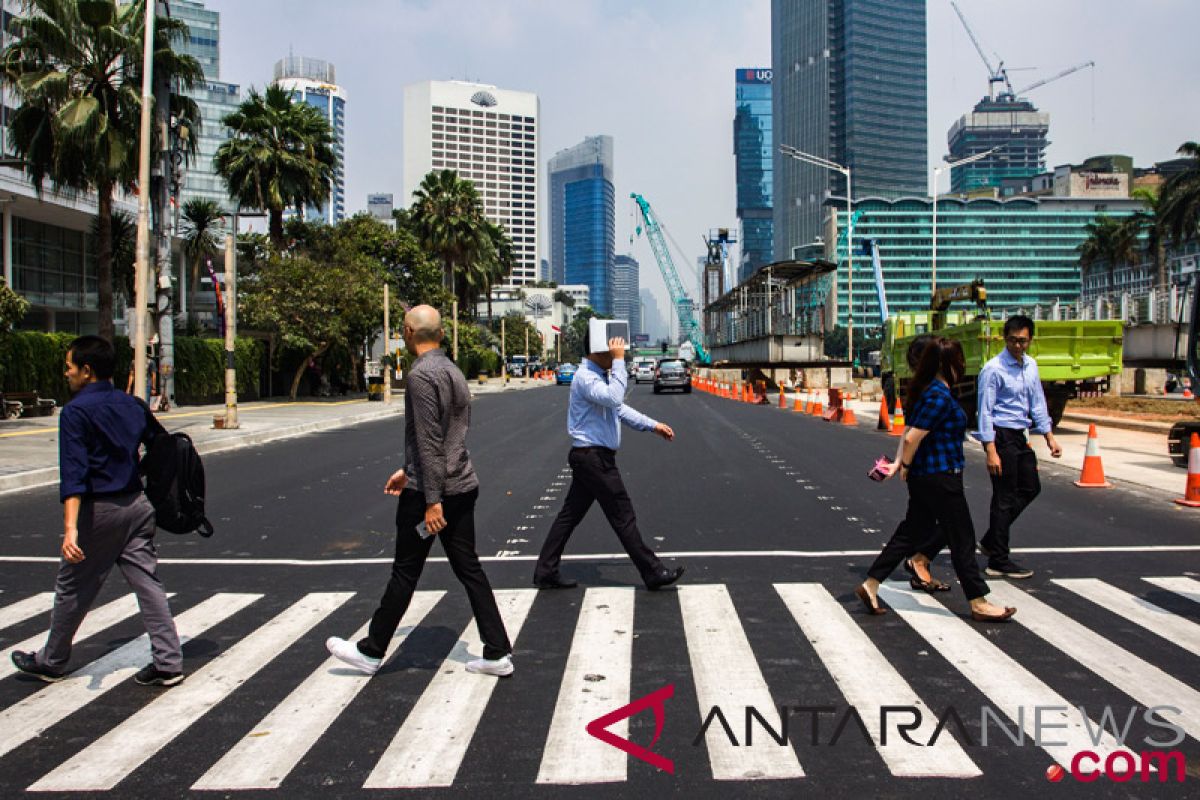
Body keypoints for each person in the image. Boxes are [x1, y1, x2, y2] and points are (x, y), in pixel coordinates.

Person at [326, 305, 514, 677]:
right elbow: (449, 437)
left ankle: (371, 650)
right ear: (441, 334)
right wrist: (407, 470)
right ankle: (497, 652)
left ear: (408, 332)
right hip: (461, 484)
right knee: (469, 569)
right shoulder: (454, 371)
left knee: (405, 571)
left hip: (432, 494)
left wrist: (430, 501)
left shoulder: (420, 376)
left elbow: (429, 441)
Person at [11, 336, 184, 685]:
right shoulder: (133, 405)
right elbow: (162, 445)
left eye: (69, 367)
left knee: (72, 587)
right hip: (137, 506)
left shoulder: (75, 412)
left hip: (99, 512)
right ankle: (169, 662)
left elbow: (74, 474)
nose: (66, 373)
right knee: (148, 584)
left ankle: (53, 660)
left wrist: (71, 528)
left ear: (86, 371)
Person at [855, 337, 1015, 623]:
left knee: (911, 533)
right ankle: (978, 601)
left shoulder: (929, 392)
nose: (963, 366)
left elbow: (910, 432)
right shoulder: (939, 396)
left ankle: (871, 584)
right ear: (946, 364)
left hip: (929, 477)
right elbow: (914, 436)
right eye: (959, 361)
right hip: (941, 477)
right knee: (962, 538)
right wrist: (903, 464)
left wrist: (901, 464)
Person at [532, 336, 684, 591]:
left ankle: (545, 570)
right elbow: (615, 398)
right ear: (597, 352)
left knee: (569, 516)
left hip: (591, 458)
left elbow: (618, 409)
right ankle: (653, 571)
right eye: (611, 352)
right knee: (623, 515)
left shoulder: (598, 376)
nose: (614, 356)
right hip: (594, 458)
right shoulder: (586, 377)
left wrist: (652, 425)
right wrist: (619, 360)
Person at [976, 315, 1062, 579]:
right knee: (1003, 497)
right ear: (1005, 338)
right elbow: (985, 411)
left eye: (1022, 341)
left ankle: (992, 539)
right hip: (1001, 436)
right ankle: (998, 559)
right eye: (1013, 340)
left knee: (1030, 487)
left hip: (1020, 435)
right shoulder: (993, 369)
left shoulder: (1031, 366)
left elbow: (1037, 402)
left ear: (1030, 340)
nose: (1017, 346)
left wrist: (1049, 435)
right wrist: (990, 449)